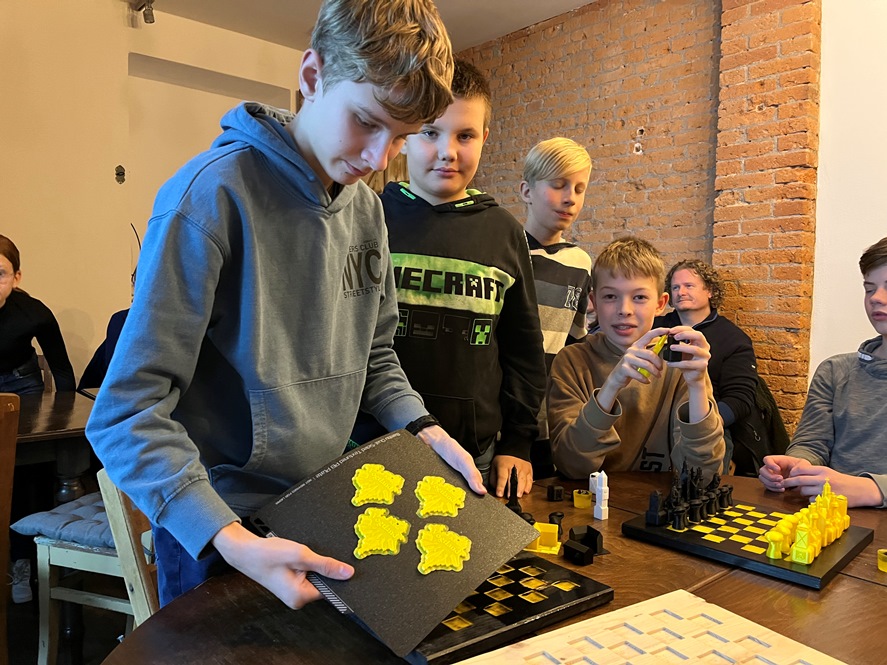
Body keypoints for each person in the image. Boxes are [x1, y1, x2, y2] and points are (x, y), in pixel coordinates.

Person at [87, 0, 485, 610]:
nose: (379, 160)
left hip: (322, 504)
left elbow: (375, 357)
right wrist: (234, 542)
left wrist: (424, 428)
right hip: (218, 527)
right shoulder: (208, 197)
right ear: (312, 76)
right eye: (366, 122)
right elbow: (125, 414)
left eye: (402, 138)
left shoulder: (367, 210)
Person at [376, 59, 546, 498]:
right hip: (370, 442)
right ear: (405, 135)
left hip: (474, 454)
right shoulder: (368, 217)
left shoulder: (504, 232)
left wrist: (518, 442)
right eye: (431, 132)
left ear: (485, 138)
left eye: (465, 135)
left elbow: (523, 351)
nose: (447, 151)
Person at [547, 236, 725, 482]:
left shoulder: (680, 363)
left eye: (639, 297)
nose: (625, 310)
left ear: (660, 304)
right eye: (610, 297)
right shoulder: (572, 361)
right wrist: (613, 384)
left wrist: (696, 387)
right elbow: (572, 465)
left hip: (659, 499)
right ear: (594, 302)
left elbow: (702, 476)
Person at [759, 236, 887, 508]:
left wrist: (873, 489)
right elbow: (812, 443)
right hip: (829, 516)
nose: (876, 298)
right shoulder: (835, 371)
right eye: (869, 289)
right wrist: (798, 465)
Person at [518, 137, 594, 477]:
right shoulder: (506, 252)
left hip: (550, 415)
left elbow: (575, 342)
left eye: (579, 189)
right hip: (504, 412)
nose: (570, 198)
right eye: (558, 185)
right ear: (527, 191)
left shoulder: (580, 263)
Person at [655, 259, 758, 473]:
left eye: (689, 286)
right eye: (675, 287)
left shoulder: (733, 339)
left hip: (704, 422)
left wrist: (704, 426)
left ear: (710, 290)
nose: (681, 292)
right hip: (653, 419)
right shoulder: (655, 327)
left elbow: (740, 399)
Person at [0, 234, 75, 395]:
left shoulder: (35, 313)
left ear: (16, 278)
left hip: (21, 381)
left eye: (0, 274)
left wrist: (66, 407)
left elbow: (61, 370)